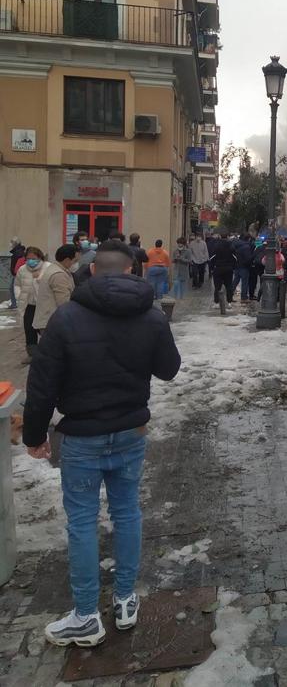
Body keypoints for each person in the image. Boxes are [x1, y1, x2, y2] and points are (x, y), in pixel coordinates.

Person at [22, 240, 181, 646]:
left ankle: (86, 615)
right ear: (132, 271)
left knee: (82, 523)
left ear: (93, 271)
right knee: (127, 513)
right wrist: (158, 332)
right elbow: (169, 371)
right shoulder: (150, 317)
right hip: (130, 433)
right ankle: (126, 600)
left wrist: (35, 437)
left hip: (81, 437)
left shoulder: (66, 318)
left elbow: (41, 385)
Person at [34, 245, 78, 332]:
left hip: (49, 321)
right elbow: (64, 303)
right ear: (67, 260)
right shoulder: (59, 275)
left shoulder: (54, 268)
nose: (75, 264)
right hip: (52, 323)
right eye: (75, 261)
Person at [15, 247, 48, 362]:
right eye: (28, 258)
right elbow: (17, 284)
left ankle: (49, 353)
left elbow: (51, 283)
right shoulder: (22, 269)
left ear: (40, 257)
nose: (30, 261)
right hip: (29, 305)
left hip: (44, 305)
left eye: (33, 258)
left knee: (44, 329)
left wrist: (38, 278)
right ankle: (32, 355)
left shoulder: (47, 267)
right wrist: (19, 295)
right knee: (29, 329)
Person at [212, 237, 237, 305]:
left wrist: (212, 267)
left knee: (217, 286)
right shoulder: (231, 246)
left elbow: (212, 257)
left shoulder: (216, 245)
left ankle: (216, 303)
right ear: (227, 237)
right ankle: (229, 302)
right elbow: (235, 257)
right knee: (229, 286)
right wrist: (233, 267)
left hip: (218, 268)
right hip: (228, 269)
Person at [233, 234, 254, 302]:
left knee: (235, 281)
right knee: (244, 282)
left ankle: (229, 294)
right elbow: (248, 258)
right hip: (244, 267)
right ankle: (244, 297)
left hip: (236, 265)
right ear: (248, 239)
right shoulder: (246, 247)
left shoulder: (236, 245)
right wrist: (253, 257)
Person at [8, 237, 25, 310]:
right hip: (18, 273)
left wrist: (14, 271)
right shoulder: (19, 251)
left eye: (11, 243)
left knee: (12, 289)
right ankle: (15, 304)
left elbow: (17, 264)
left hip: (17, 274)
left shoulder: (17, 253)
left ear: (14, 244)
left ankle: (14, 304)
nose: (10, 244)